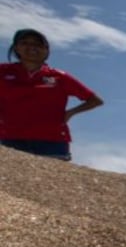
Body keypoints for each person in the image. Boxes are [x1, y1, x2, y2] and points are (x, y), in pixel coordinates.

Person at [0, 28, 103, 161]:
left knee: (50, 181)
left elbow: (95, 100)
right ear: (16, 48)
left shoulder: (59, 77)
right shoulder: (3, 71)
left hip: (52, 142)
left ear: (46, 50)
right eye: (25, 43)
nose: (31, 47)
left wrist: (70, 113)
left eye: (37, 44)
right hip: (11, 138)